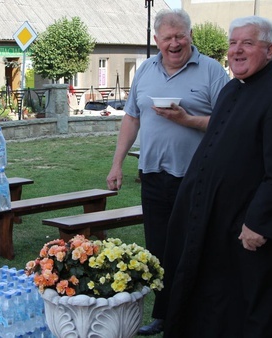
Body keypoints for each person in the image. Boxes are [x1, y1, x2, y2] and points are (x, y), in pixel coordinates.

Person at [162, 16, 272, 338]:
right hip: (218, 223)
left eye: (248, 43)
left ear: (270, 50)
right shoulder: (233, 88)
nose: (237, 50)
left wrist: (259, 223)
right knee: (217, 302)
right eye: (233, 43)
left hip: (252, 228)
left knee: (255, 308)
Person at [105, 9, 229, 336]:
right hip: (153, 175)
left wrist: (187, 120)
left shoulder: (211, 71)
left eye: (180, 36)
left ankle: (194, 315)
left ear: (190, 35)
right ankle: (163, 314)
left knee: (193, 247)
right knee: (158, 250)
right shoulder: (145, 69)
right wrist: (117, 163)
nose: (174, 43)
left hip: (197, 178)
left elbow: (230, 122)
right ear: (157, 40)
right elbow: (131, 118)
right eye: (167, 38)